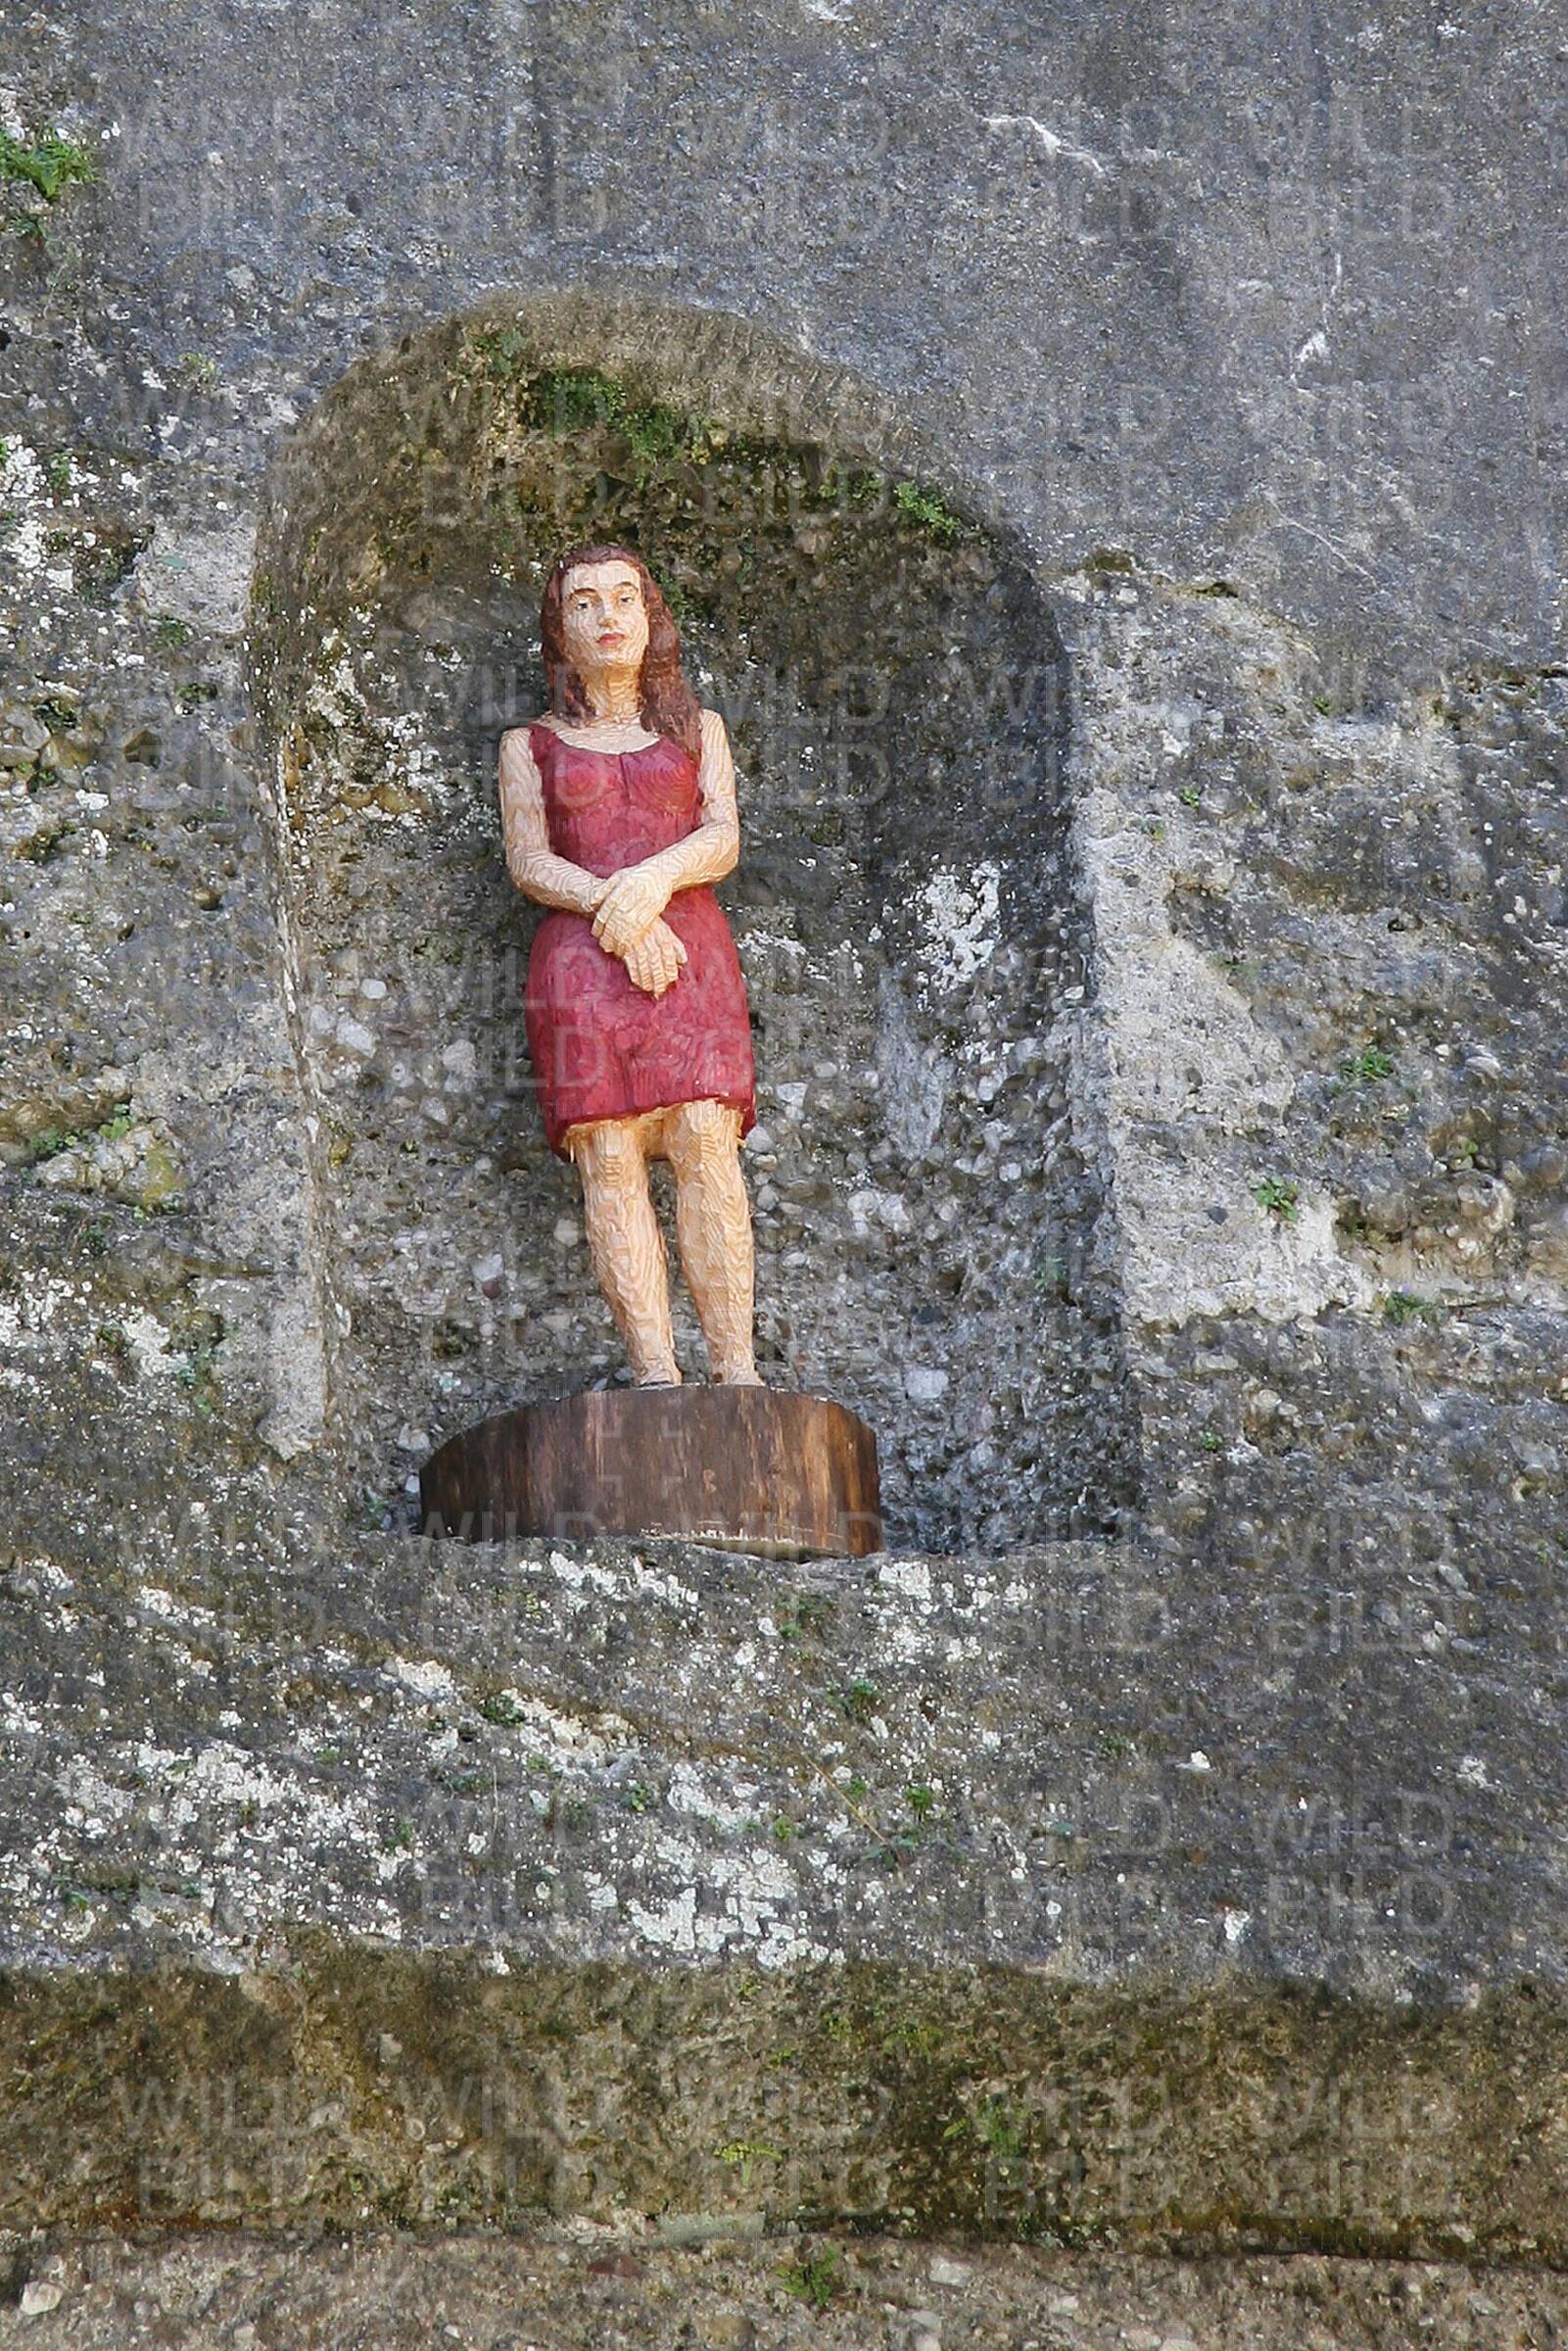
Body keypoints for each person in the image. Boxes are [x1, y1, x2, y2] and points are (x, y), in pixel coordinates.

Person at [498, 543, 762, 1388]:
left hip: (688, 952)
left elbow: (720, 836)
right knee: (607, 1154)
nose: (606, 617)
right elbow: (529, 860)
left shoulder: (697, 731)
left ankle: (736, 1370)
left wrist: (649, 883)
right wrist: (616, 912)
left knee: (705, 1140)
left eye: (623, 599)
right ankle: (654, 1373)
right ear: (559, 631)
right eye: (583, 604)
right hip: (582, 964)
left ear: (651, 621)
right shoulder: (529, 746)